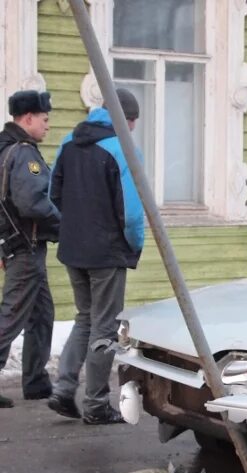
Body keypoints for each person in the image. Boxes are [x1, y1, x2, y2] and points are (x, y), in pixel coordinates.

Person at [47, 88, 144, 425]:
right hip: (106, 253)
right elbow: (132, 214)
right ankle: (96, 404)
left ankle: (63, 387)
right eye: (132, 122)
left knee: (85, 318)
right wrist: (134, 245)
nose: (132, 129)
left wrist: (76, 227)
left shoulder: (68, 144)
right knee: (104, 327)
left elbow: (52, 194)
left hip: (73, 249)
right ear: (127, 119)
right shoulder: (123, 149)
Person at [0, 90, 60, 409]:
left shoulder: (8, 149)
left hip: (18, 245)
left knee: (42, 314)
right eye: (45, 119)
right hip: (26, 247)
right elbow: (32, 203)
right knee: (10, 317)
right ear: (28, 119)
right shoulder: (23, 154)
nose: (48, 126)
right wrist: (63, 221)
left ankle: (36, 382)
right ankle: (35, 380)